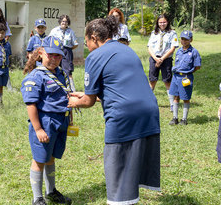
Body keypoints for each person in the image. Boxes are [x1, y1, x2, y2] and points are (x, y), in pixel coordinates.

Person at [68, 16, 160, 205]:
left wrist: (70, 101)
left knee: (117, 169)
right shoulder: (127, 50)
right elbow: (118, 86)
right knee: (133, 167)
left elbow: (88, 101)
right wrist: (85, 95)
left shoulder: (94, 56)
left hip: (123, 116)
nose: (87, 47)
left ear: (94, 37)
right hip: (149, 112)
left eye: (86, 42)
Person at [21, 36, 72, 205]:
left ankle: (51, 191)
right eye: (51, 55)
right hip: (45, 123)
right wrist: (38, 129)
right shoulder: (36, 76)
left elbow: (65, 97)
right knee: (39, 160)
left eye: (58, 56)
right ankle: (37, 198)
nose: (54, 59)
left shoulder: (61, 73)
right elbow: (31, 105)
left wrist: (69, 118)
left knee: (50, 158)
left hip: (60, 122)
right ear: (41, 53)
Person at [147, 14, 179, 112]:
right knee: (152, 80)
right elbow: (149, 47)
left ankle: (172, 104)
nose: (162, 24)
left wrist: (162, 59)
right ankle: (148, 103)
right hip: (154, 58)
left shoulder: (172, 33)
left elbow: (173, 48)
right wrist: (156, 59)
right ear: (157, 23)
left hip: (166, 59)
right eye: (160, 22)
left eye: (164, 22)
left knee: (167, 81)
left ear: (167, 22)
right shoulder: (154, 33)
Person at [169, 31, 201, 125]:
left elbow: (197, 66)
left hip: (185, 78)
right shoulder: (178, 51)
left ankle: (184, 119)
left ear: (191, 40)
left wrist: (188, 73)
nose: (184, 41)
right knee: (176, 96)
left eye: (186, 39)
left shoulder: (194, 52)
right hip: (176, 76)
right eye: (182, 39)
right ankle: (175, 118)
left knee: (185, 97)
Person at [49, 15, 78, 91]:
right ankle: (55, 88)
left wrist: (67, 49)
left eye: (66, 21)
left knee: (68, 71)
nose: (64, 23)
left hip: (67, 52)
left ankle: (71, 90)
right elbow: (49, 41)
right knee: (54, 69)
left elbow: (75, 44)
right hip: (56, 51)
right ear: (60, 22)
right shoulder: (54, 31)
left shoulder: (71, 31)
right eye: (63, 21)